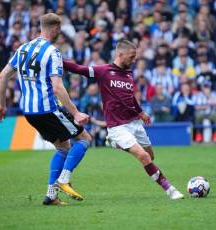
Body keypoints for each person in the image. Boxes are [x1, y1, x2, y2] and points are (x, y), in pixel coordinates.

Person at [62, 39, 184, 200]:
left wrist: (141, 113)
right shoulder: (103, 71)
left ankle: (115, 143)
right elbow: (78, 68)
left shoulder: (128, 73)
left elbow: (130, 97)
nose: (134, 60)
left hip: (134, 122)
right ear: (120, 54)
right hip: (117, 126)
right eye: (132, 57)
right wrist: (57, 60)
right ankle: (171, 190)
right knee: (144, 157)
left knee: (150, 157)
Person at [0, 13, 92, 206]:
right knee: (85, 139)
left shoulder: (22, 49)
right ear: (54, 29)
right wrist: (76, 113)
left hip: (29, 112)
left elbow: (3, 76)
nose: (60, 34)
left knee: (63, 148)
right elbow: (57, 87)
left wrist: (2, 105)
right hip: (47, 108)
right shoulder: (53, 52)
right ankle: (64, 179)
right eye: (59, 30)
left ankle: (51, 195)